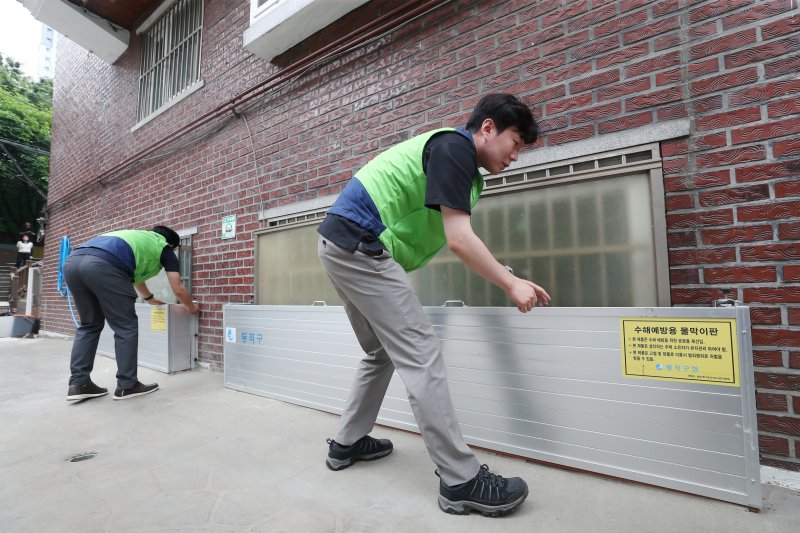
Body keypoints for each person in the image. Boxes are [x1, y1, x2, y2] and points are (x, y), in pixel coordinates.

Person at [317, 93, 550, 517]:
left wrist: (507, 275)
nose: (516, 155)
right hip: (359, 243)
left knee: (380, 352)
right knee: (421, 354)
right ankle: (461, 480)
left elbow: (455, 236)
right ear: (487, 128)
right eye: (516, 143)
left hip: (341, 243)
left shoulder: (452, 154)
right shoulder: (454, 147)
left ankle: (346, 444)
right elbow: (459, 239)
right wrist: (510, 283)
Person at [63, 226, 200, 402]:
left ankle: (78, 384)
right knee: (125, 326)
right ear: (171, 244)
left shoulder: (133, 238)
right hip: (102, 266)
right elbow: (178, 289)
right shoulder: (164, 247)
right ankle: (127, 385)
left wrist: (149, 297)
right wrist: (191, 307)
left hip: (72, 263)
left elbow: (137, 278)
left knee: (89, 325)